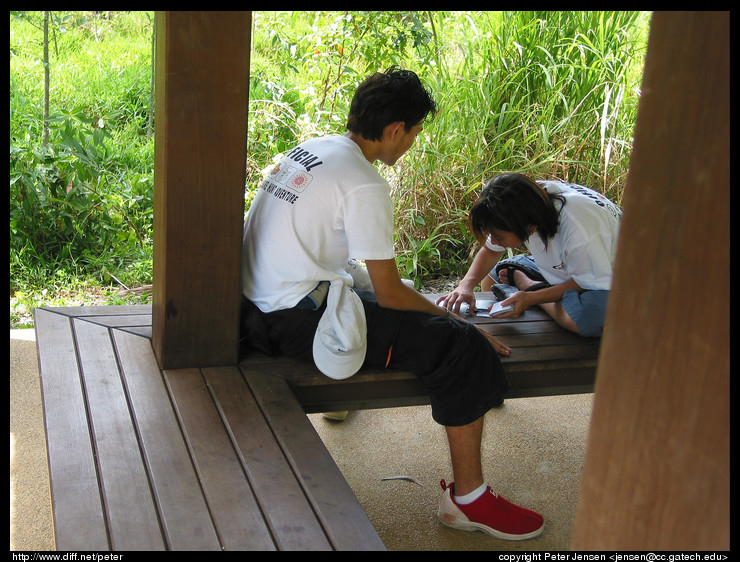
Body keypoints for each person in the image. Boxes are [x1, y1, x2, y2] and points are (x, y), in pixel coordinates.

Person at [241, 68, 544, 540]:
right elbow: (387, 293)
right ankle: (468, 500)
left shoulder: (316, 149)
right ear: (395, 130)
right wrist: (453, 320)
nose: (412, 143)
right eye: (416, 133)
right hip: (294, 320)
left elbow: (373, 281)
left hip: (258, 305)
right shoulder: (364, 182)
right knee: (460, 346)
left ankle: (355, 377)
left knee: (409, 303)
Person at [437, 173, 621, 337]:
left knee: (581, 320)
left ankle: (529, 286)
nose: (495, 241)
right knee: (492, 278)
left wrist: (532, 296)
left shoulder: (579, 227)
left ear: (530, 227)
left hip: (613, 280)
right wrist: (465, 285)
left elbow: (584, 281)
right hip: (571, 266)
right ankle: (530, 289)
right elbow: (491, 251)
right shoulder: (524, 202)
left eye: (500, 237)